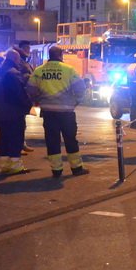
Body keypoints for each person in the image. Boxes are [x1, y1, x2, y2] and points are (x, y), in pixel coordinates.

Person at [27, 46, 88, 178]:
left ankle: (56, 170)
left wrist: (38, 99)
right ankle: (76, 168)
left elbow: (30, 89)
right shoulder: (69, 70)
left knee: (52, 141)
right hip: (66, 112)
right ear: (60, 55)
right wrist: (76, 101)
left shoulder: (39, 70)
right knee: (70, 140)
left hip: (48, 112)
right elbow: (81, 88)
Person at [0, 49, 32, 175]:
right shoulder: (13, 73)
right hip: (13, 111)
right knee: (16, 138)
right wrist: (28, 104)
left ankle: (5, 164)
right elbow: (19, 94)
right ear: (15, 59)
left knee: (4, 138)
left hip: (1, 111)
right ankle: (16, 166)